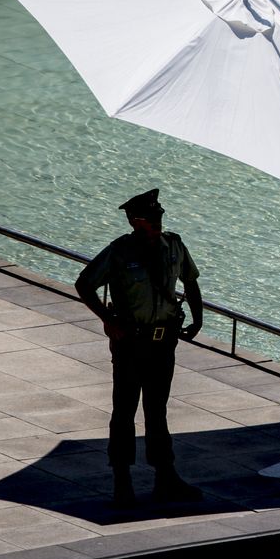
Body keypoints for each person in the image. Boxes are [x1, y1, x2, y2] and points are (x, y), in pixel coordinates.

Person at [76, 188, 205, 507]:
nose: (158, 221)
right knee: (124, 411)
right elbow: (84, 284)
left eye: (160, 216)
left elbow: (190, 279)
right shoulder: (119, 251)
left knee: (157, 410)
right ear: (136, 221)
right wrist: (109, 319)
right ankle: (122, 482)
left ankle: (165, 478)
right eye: (152, 218)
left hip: (164, 343)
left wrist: (198, 319)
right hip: (131, 344)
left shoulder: (173, 244)